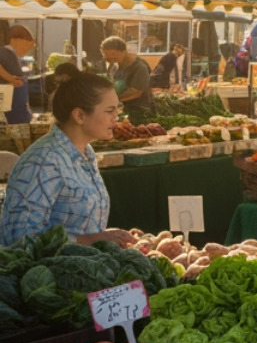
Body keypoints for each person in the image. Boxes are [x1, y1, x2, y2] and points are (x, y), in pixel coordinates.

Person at [0, 65, 136, 246]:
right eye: (109, 111)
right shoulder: (44, 162)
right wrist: (90, 239)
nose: (116, 117)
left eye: (117, 109)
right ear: (80, 115)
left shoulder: (85, 153)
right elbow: (19, 237)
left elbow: (74, 227)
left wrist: (99, 235)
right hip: (45, 272)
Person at [100, 36, 155, 123]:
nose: (111, 60)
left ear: (124, 51)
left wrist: (112, 100)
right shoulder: (114, 66)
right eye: (108, 58)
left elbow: (136, 92)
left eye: (114, 56)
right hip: (121, 111)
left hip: (139, 113)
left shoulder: (139, 67)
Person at [0, 26, 35, 125]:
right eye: (26, 44)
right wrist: (11, 79)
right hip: (11, 117)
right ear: (15, 40)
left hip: (17, 116)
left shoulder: (14, 56)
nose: (27, 50)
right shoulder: (4, 52)